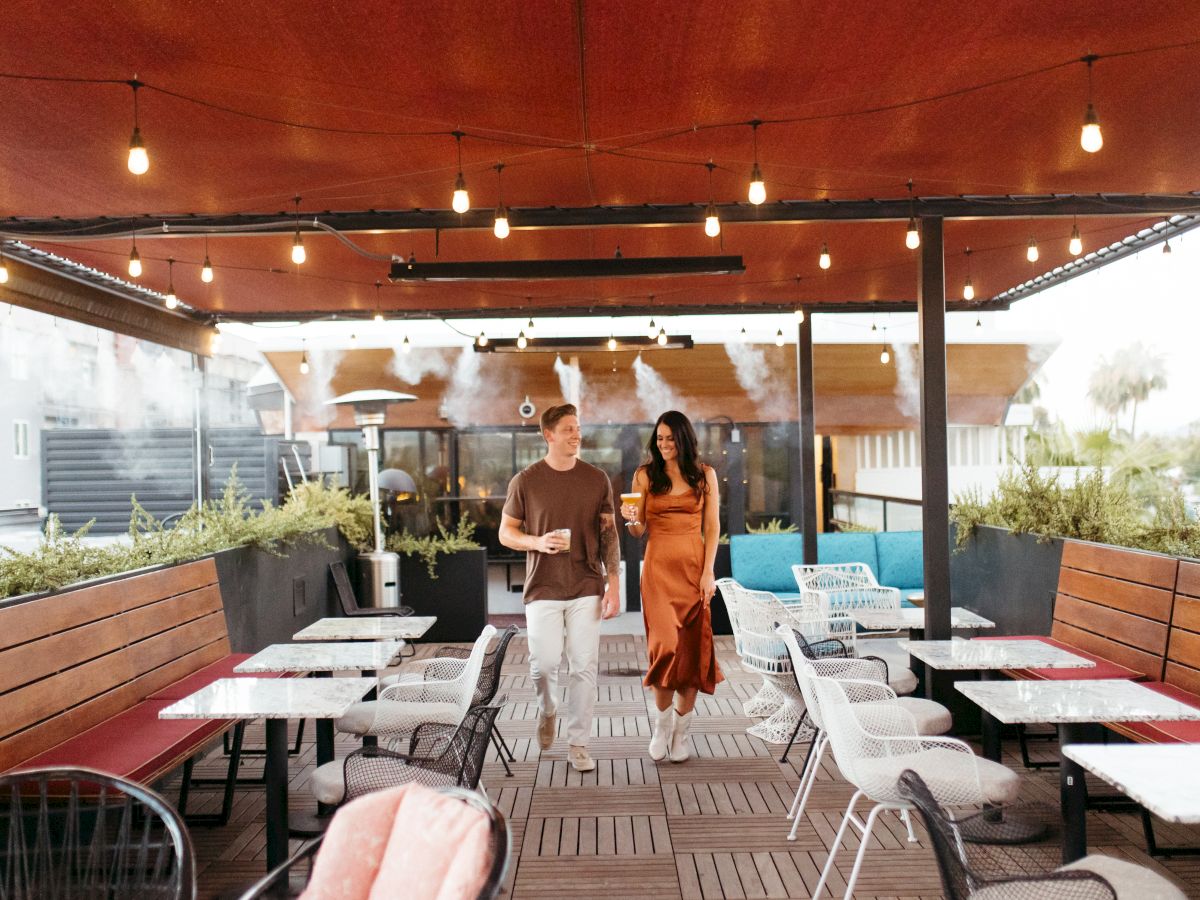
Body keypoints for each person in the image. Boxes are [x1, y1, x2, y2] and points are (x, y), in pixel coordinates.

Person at [499, 403, 621, 773]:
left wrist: (613, 583)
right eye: (568, 429)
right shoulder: (525, 481)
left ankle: (579, 743)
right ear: (549, 435)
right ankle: (547, 709)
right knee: (544, 664)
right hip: (543, 587)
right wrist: (536, 543)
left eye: (578, 428)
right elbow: (507, 532)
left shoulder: (597, 479)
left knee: (584, 666)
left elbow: (608, 534)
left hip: (586, 583)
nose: (576, 434)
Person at [620, 410, 723, 763]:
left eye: (670, 439)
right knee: (664, 648)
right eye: (659, 438)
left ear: (683, 440)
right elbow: (638, 530)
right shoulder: (645, 475)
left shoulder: (705, 475)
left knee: (691, 652)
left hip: (694, 572)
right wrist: (631, 517)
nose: (663, 444)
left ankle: (681, 734)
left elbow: (712, 529)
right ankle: (660, 728)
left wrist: (708, 573)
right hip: (659, 573)